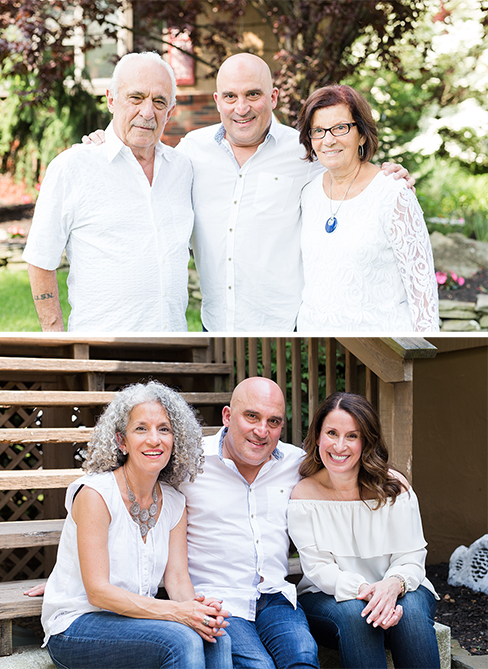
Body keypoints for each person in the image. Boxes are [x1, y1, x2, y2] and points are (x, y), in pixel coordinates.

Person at [83, 53, 412, 331]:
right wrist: (105, 140)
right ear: (218, 101)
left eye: (253, 94)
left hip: (285, 327)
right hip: (214, 326)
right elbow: (144, 161)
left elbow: (348, 172)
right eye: (230, 96)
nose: (241, 108)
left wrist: (386, 174)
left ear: (273, 97)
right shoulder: (191, 151)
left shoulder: (304, 153)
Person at [41, 381, 232, 669]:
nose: (154, 439)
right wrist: (177, 612)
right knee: (182, 640)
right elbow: (97, 591)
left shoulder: (174, 502)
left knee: (215, 637)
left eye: (164, 429)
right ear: (122, 441)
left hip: (138, 620)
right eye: (141, 428)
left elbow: (177, 580)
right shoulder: (96, 495)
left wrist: (197, 610)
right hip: (77, 625)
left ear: (175, 439)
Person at [22, 51, 195, 332]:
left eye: (159, 101)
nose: (147, 112)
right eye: (136, 98)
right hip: (100, 342)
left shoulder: (183, 169)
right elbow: (40, 259)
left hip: (174, 340)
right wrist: (55, 337)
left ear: (171, 110)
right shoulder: (73, 166)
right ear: (111, 100)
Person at [288, 392, 440, 668]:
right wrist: (366, 591)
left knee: (411, 612)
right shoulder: (304, 496)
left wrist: (393, 585)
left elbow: (411, 556)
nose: (339, 446)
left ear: (367, 441)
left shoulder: (394, 488)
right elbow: (320, 569)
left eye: (352, 436)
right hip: (328, 596)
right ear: (318, 436)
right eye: (331, 433)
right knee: (355, 613)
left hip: (400, 587)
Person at [178, 377, 319, 669]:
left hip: (276, 597)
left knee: (303, 657)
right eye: (251, 416)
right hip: (217, 600)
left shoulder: (296, 463)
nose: (262, 431)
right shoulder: (188, 463)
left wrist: (392, 478)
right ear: (227, 416)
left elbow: (347, 470)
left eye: (273, 421)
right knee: (258, 666)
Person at [295, 85, 439, 332]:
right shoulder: (308, 193)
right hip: (316, 340)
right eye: (318, 130)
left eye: (340, 128)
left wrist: (426, 348)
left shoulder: (393, 192)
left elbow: (422, 287)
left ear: (361, 134)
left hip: (381, 344)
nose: (328, 140)